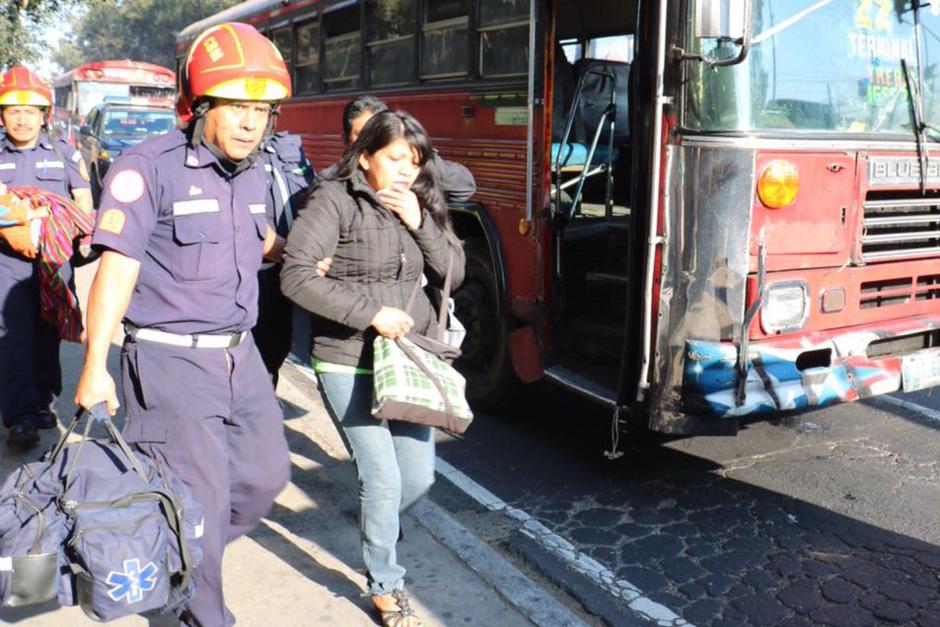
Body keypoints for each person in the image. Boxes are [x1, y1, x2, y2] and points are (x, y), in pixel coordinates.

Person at [74, 22, 292, 627]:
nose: (252, 123)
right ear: (201, 105)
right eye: (238, 108)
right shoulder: (149, 167)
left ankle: (177, 554)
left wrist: (309, 255)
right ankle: (203, 613)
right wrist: (95, 367)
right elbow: (116, 270)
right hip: (171, 363)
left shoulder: (255, 172)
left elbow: (264, 241)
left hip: (239, 358)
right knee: (200, 505)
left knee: (264, 476)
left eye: (263, 110)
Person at [281, 110, 465, 627]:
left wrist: (420, 222)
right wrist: (371, 313)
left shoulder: (421, 201)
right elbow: (296, 278)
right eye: (395, 159)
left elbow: (456, 272)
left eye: (415, 160)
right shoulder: (333, 199)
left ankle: (377, 527)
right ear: (365, 157)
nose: (407, 170)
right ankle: (386, 585)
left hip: (408, 357)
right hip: (347, 357)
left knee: (418, 480)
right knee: (381, 479)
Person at [0, 66, 93, 448]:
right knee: (11, 338)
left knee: (47, 335)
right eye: (12, 110)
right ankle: (18, 416)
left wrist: (70, 228)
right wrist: (21, 217)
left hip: (55, 265)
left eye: (31, 110)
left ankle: (42, 403)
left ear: (45, 115)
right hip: (7, 266)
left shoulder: (67, 155)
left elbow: (84, 206)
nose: (22, 119)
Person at [254, 130, 314, 385]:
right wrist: (294, 254)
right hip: (252, 273)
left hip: (283, 274)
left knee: (275, 348)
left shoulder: (288, 151)